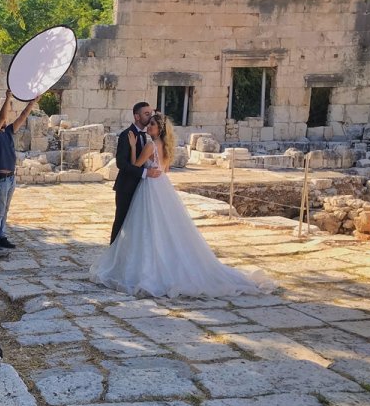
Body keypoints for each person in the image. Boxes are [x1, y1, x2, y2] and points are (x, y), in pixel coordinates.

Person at [91, 112, 273, 298]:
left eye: (152, 124)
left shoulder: (150, 145)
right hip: (162, 186)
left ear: (159, 128)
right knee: (164, 227)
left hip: (149, 188)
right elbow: (165, 169)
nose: (149, 127)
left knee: (147, 227)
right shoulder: (166, 147)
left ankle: (147, 267)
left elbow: (136, 165)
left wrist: (131, 147)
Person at [0, 89, 40, 250]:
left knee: (5, 209)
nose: (4, 120)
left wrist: (32, 103)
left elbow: (22, 117)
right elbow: (3, 116)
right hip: (0, 179)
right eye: (0, 119)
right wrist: (8, 98)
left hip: (10, 178)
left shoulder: (8, 132)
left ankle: (2, 236)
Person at [110, 101, 162, 244]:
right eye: (146, 114)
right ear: (137, 116)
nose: (149, 116)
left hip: (142, 189)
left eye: (150, 113)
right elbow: (121, 163)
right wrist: (145, 173)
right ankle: (112, 255)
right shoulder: (126, 135)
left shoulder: (146, 136)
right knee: (121, 221)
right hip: (126, 187)